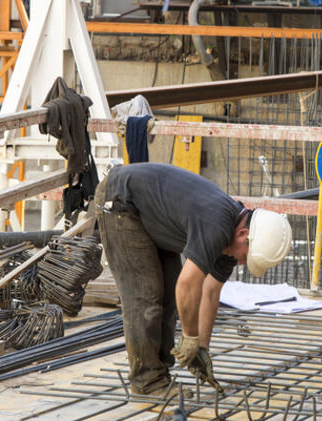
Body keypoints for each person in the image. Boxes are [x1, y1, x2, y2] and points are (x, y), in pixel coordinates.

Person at [93, 163, 292, 395]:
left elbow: (210, 291)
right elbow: (188, 285)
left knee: (167, 298)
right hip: (121, 203)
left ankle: (160, 375)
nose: (242, 263)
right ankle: (147, 383)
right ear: (243, 235)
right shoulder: (217, 225)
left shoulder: (233, 241)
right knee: (145, 297)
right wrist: (189, 336)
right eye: (246, 257)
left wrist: (201, 348)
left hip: (151, 215)